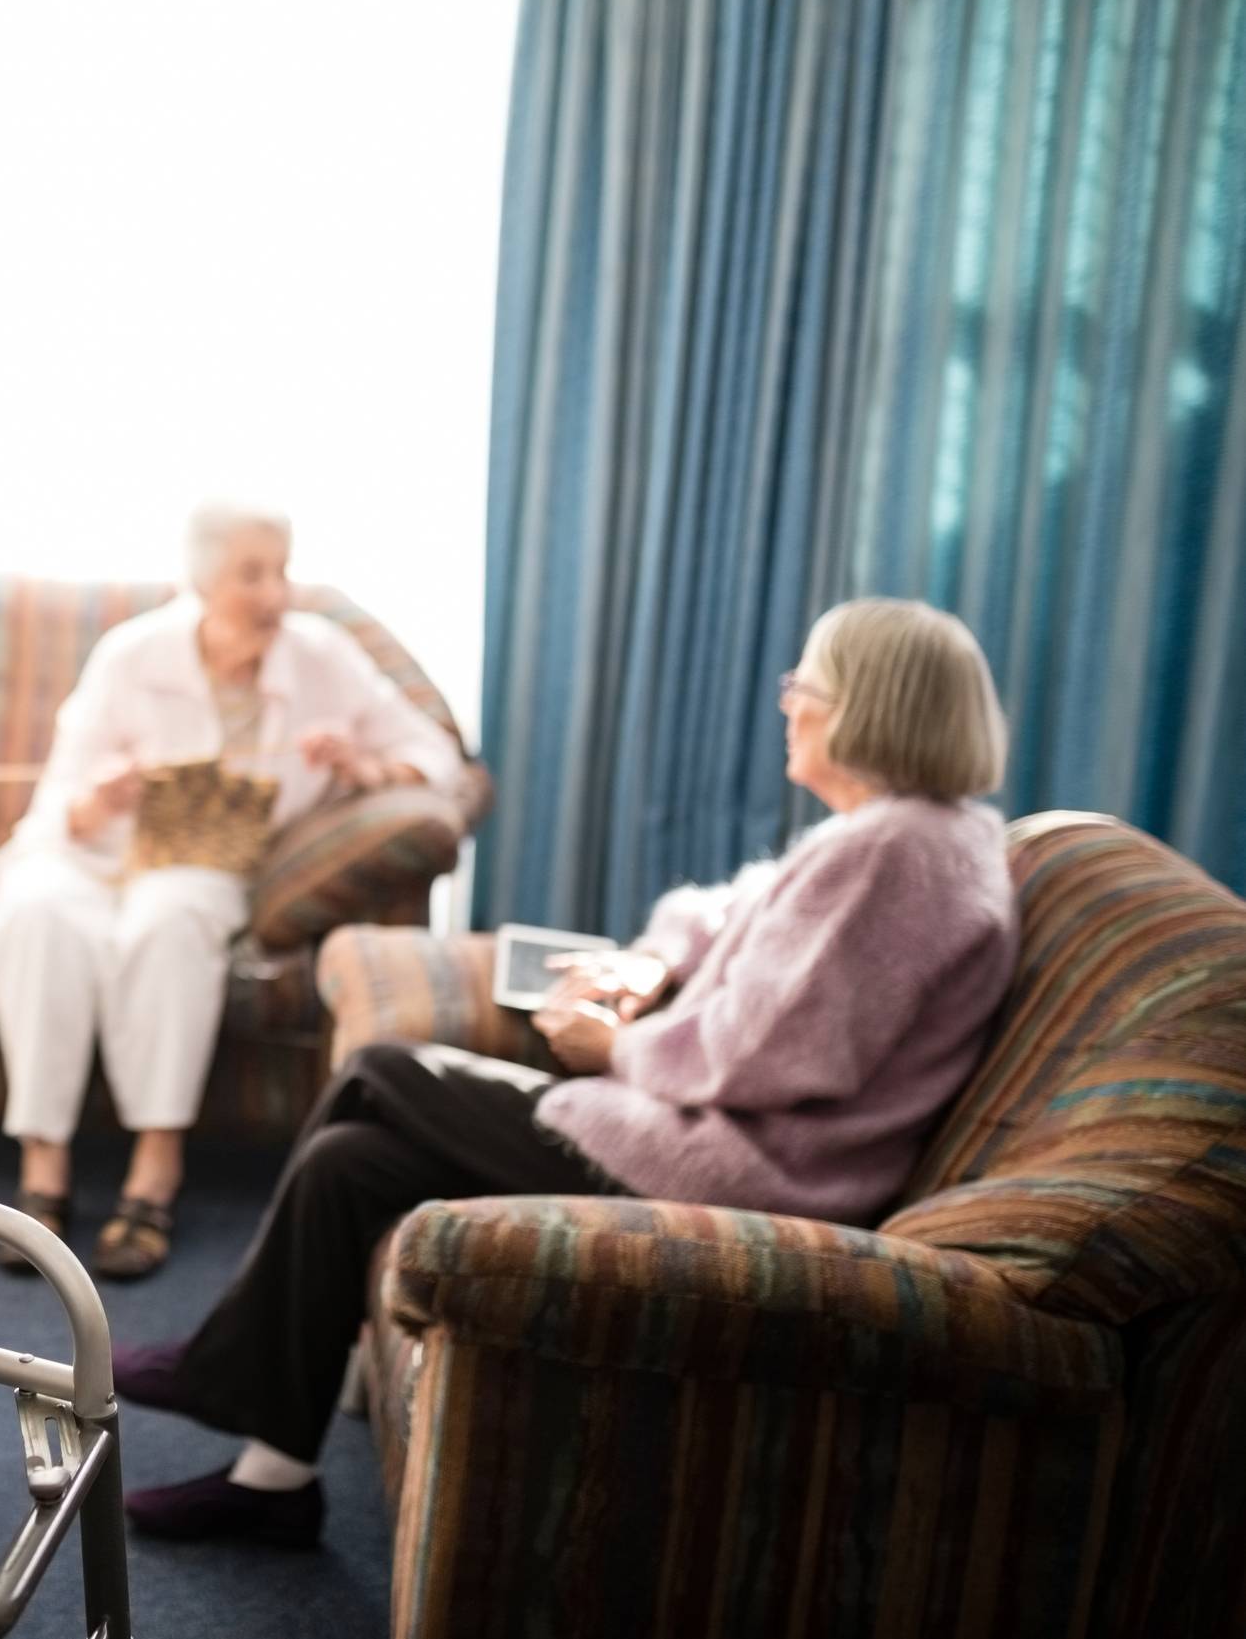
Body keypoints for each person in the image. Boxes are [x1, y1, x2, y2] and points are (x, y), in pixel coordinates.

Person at [114, 597, 1019, 1547]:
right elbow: (725, 909)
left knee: (382, 1069)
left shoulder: (892, 855)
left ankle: (231, 1361)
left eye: (808, 687)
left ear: (870, 707)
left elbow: (770, 1054)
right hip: (719, 1140)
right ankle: (274, 1479)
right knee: (348, 1160)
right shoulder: (904, 835)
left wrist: (613, 1047)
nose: (787, 704)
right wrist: (648, 964)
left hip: (742, 1165)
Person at [0, 502, 462, 1279]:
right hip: (93, 853)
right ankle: (42, 1171)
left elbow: (437, 755)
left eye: (283, 569)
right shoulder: (132, 653)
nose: (276, 592)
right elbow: (62, 798)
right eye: (252, 573)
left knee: (172, 923)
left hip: (201, 862)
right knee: (36, 914)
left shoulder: (322, 656)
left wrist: (360, 767)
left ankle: (154, 1172)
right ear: (201, 580)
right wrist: (100, 796)